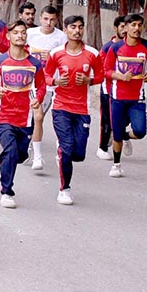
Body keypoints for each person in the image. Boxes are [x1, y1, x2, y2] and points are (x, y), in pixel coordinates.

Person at [43, 15, 104, 205]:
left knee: (78, 154)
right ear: (66, 29)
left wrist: (89, 81)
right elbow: (44, 75)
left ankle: (63, 151)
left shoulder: (92, 53)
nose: (77, 30)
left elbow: (101, 76)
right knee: (67, 148)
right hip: (60, 106)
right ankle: (64, 189)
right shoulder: (56, 53)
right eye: (73, 27)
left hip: (82, 109)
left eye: (80, 27)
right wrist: (55, 81)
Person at [0, 20, 47, 209]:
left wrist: (38, 99)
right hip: (4, 116)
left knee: (20, 154)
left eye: (23, 32)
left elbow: (42, 85)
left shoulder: (34, 63)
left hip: (25, 118)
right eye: (16, 32)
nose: (20, 36)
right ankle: (6, 191)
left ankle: (6, 160)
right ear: (8, 36)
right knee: (11, 150)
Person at [104, 13, 147, 177]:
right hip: (118, 97)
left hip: (137, 97)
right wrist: (120, 76)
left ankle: (122, 136)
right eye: (133, 25)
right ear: (125, 27)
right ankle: (116, 165)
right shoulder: (115, 48)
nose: (137, 28)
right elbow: (106, 71)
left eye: (139, 25)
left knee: (140, 131)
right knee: (117, 132)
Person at [26, 5, 67, 170]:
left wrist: (50, 58)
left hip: (49, 85)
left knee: (38, 117)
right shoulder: (30, 34)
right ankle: (36, 155)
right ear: (40, 18)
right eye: (45, 19)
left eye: (52, 20)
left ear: (56, 20)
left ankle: (33, 149)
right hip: (29, 81)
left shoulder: (61, 37)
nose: (48, 23)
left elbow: (64, 58)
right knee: (34, 116)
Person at [96, 15, 127, 160]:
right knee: (107, 119)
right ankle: (102, 147)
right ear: (115, 29)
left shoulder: (133, 48)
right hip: (109, 89)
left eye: (128, 26)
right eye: (122, 27)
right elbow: (102, 69)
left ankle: (121, 135)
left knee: (126, 117)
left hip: (127, 91)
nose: (126, 30)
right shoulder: (108, 48)